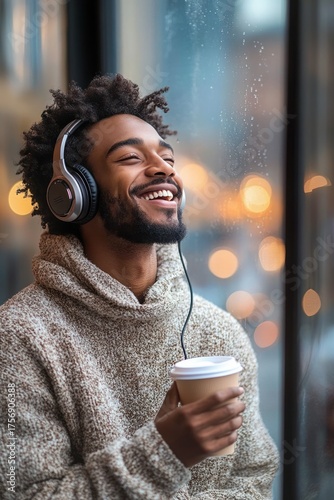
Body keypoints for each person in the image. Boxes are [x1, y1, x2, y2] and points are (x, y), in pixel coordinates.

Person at [0, 74, 279, 499]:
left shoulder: (218, 332)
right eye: (130, 158)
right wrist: (164, 452)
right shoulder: (19, 337)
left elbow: (254, 475)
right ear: (75, 193)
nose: (163, 169)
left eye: (166, 157)